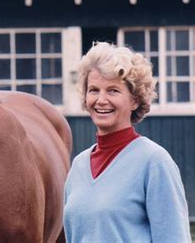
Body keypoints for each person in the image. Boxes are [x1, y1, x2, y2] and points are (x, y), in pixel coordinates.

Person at [63, 42, 191, 242]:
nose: (101, 100)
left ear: (135, 100)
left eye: (113, 90)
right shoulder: (78, 166)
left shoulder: (155, 163)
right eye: (94, 90)